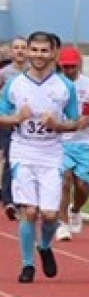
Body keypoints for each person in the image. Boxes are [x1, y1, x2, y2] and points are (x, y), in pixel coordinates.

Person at [0, 31, 82, 282]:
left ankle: (44, 246)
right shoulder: (14, 84)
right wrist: (16, 118)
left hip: (51, 153)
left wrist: (57, 124)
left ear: (53, 53)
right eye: (33, 50)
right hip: (23, 151)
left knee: (49, 214)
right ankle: (27, 266)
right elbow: (1, 116)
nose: (38, 55)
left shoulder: (64, 86)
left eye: (43, 50)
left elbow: (76, 121)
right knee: (29, 211)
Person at [56, 46, 89, 241]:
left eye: (72, 66)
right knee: (64, 181)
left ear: (79, 64)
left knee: (82, 185)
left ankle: (76, 208)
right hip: (60, 142)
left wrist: (86, 120)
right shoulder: (55, 84)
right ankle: (62, 224)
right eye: (65, 67)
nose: (69, 70)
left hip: (83, 141)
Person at [0, 36, 28, 220]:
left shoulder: (32, 72)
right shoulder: (4, 73)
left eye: (23, 48)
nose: (19, 51)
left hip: (28, 125)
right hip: (9, 122)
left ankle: (22, 198)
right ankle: (9, 200)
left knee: (25, 162)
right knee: (10, 158)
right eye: (16, 47)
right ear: (11, 51)